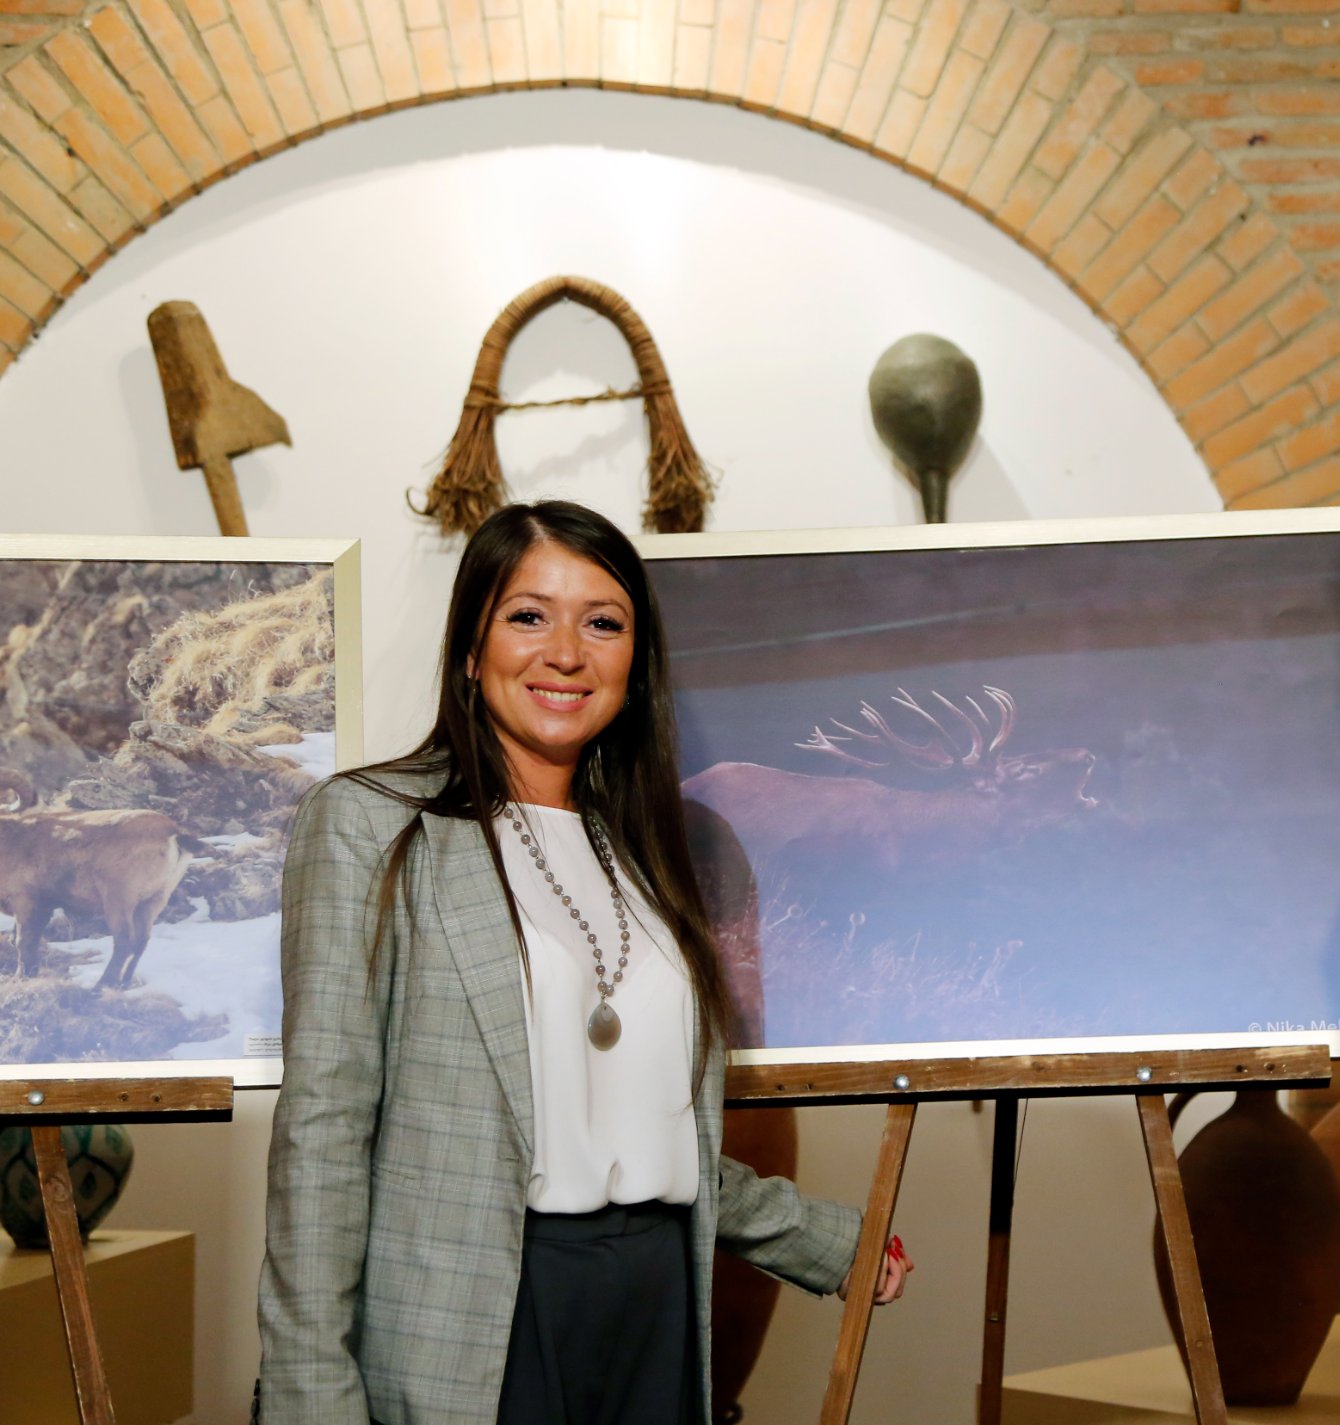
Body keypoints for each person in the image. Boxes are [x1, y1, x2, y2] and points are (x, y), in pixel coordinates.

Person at [259, 500, 911, 1424]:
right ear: (471, 646)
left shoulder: (650, 854)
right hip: (479, 1318)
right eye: (529, 615)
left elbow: (655, 1130)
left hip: (657, 1301)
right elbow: (322, 1133)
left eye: (602, 623)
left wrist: (822, 1239)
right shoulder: (373, 825)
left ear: (634, 665)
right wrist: (309, 1394)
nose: (565, 652)